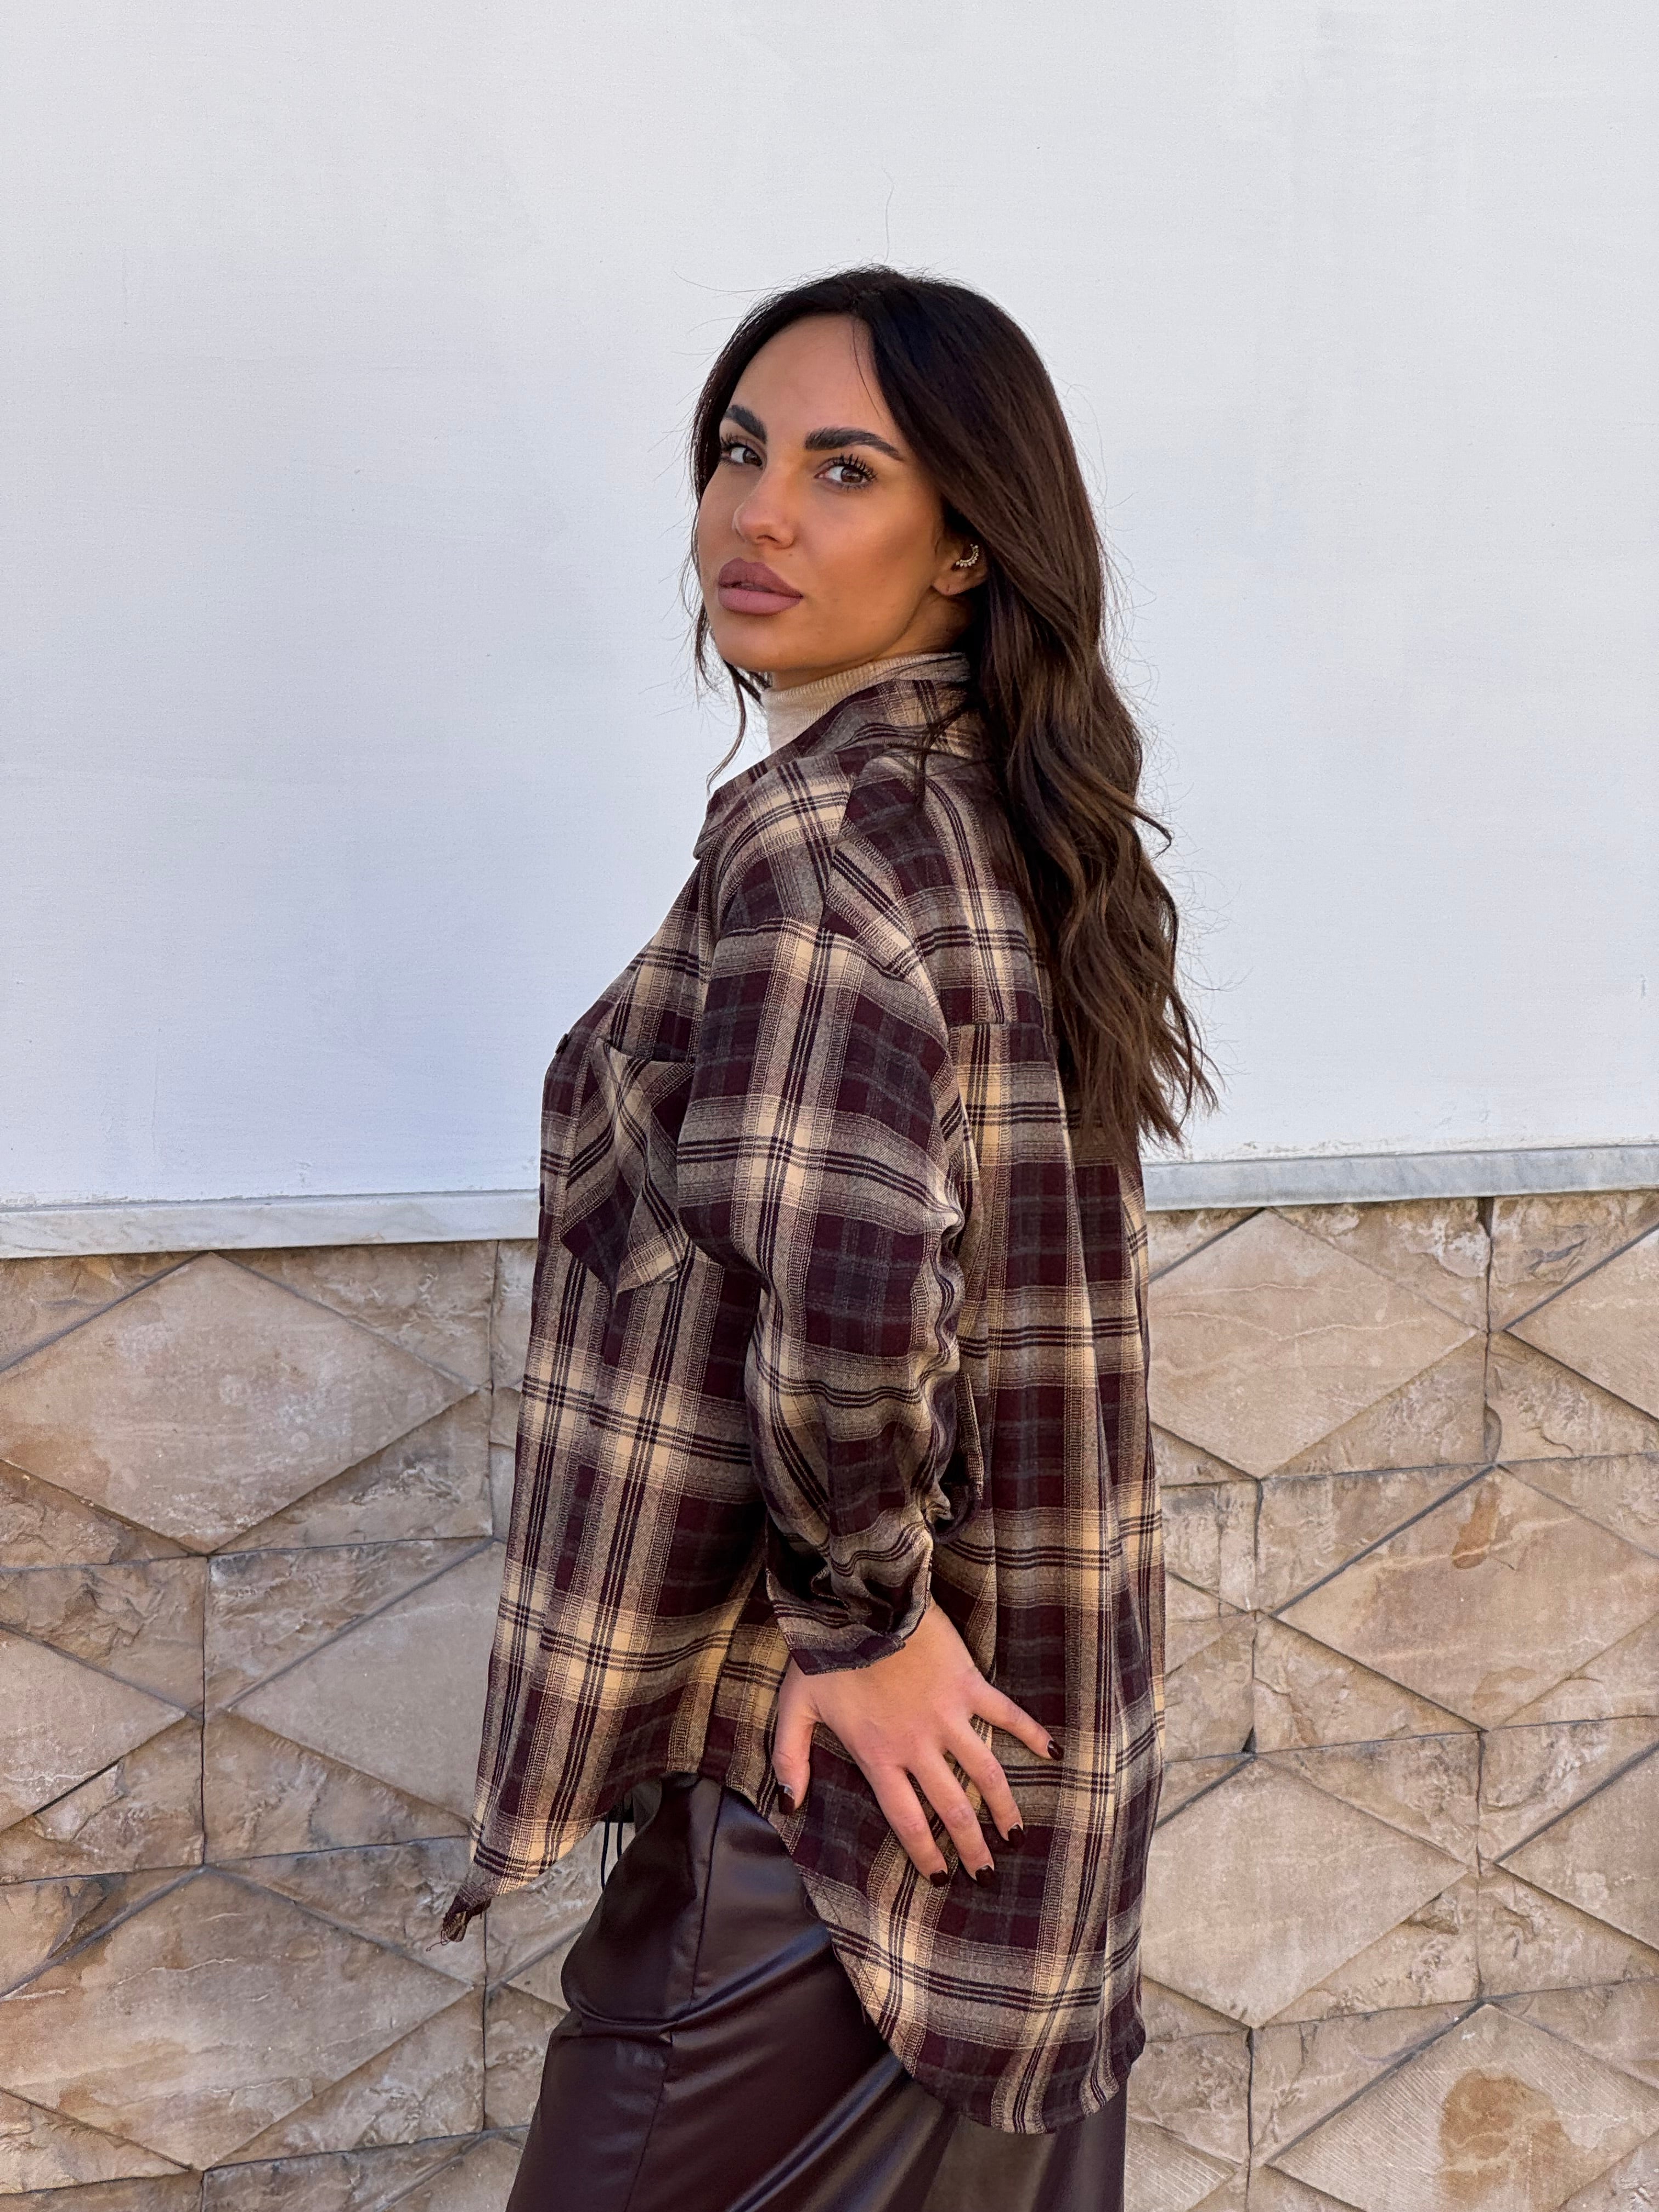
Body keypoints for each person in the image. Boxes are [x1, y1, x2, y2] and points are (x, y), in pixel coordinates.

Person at [443, 265, 1213, 2210]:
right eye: (739, 451)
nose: (759, 514)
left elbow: (854, 1292)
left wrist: (862, 1626)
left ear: (967, 545)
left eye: (844, 470)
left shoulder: (822, 841)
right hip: (1011, 1804)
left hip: (831, 1829)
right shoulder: (1008, 824)